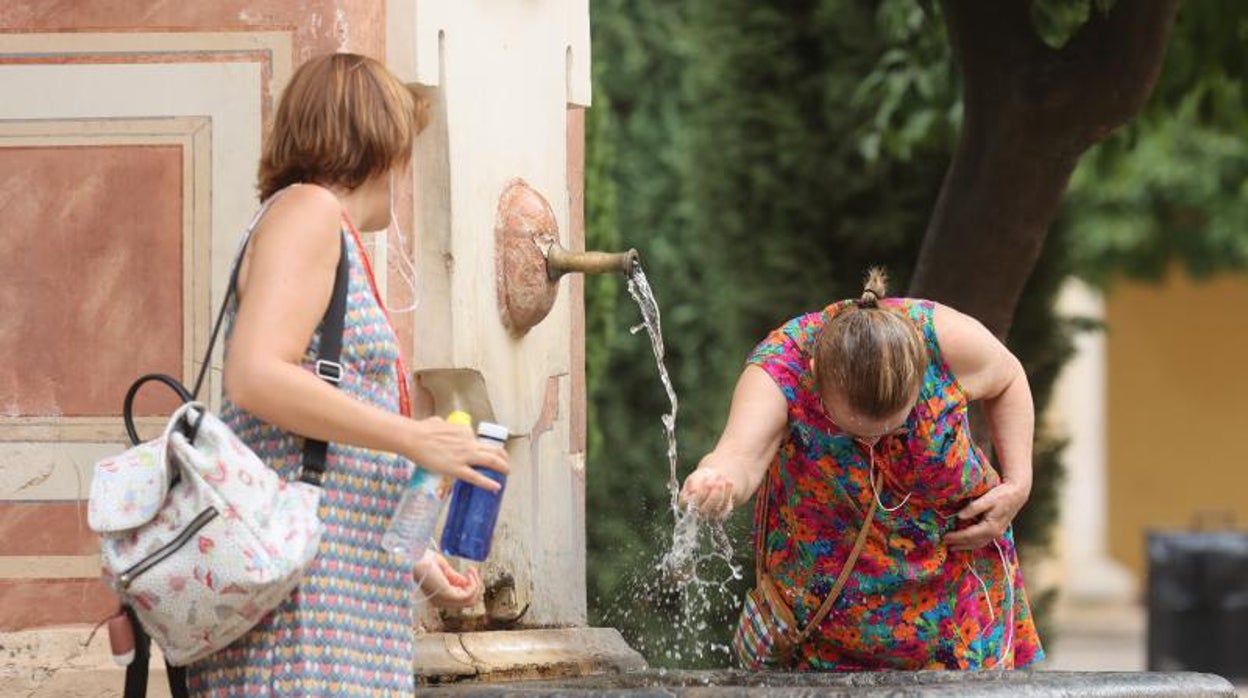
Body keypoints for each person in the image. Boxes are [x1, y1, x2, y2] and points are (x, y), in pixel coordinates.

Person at [186, 52, 509, 696]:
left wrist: (418, 561)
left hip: (339, 610)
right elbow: (254, 375)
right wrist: (412, 438)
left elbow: (325, 443)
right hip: (301, 623)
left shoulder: (325, 229)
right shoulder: (307, 211)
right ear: (376, 140)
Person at [680, 268, 1044, 670]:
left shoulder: (945, 341)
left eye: (892, 427)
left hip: (960, 610)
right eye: (856, 431)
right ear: (817, 376)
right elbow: (738, 457)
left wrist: (1018, 483)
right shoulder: (782, 371)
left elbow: (1008, 377)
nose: (874, 444)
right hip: (829, 627)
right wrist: (716, 481)